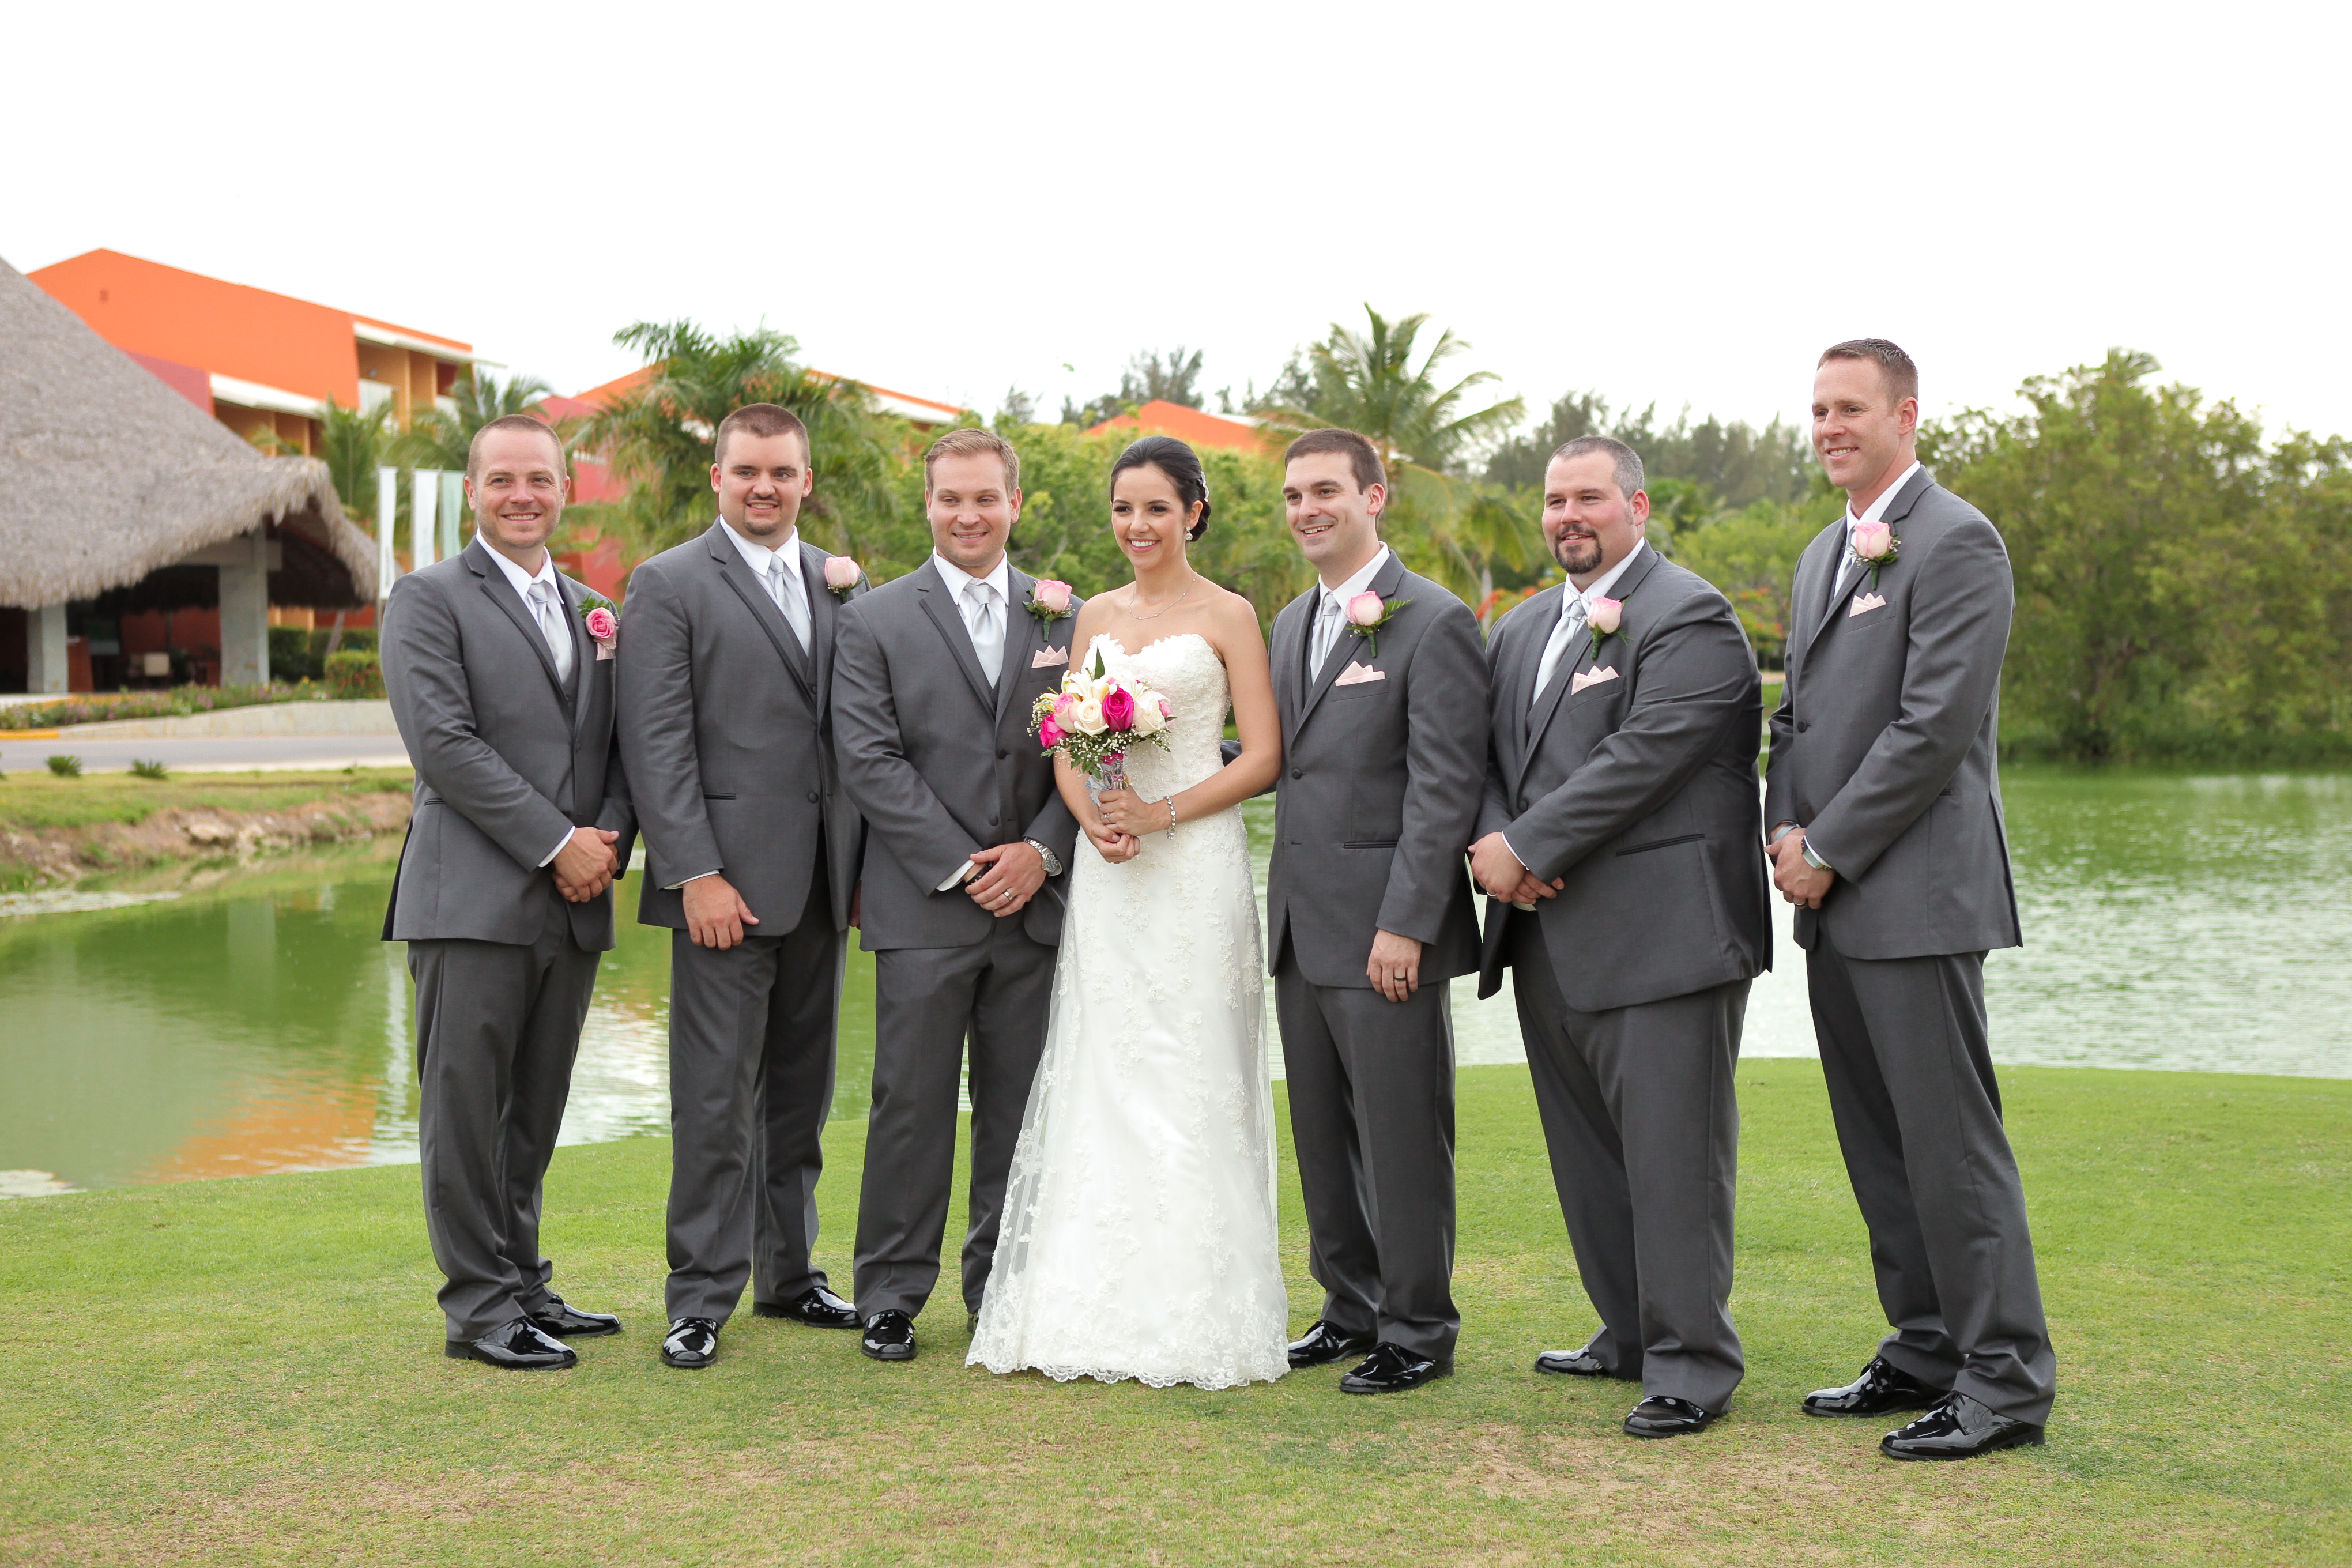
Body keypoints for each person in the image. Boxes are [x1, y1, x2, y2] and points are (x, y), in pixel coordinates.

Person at [1767, 339, 2055, 1460]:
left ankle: (2006, 1381)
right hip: (1831, 897)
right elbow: (1794, 721)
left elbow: (1932, 729)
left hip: (1920, 894)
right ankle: (1925, 1343)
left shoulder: (1958, 540)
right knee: (1880, 1144)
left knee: (1951, 1146)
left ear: (1906, 415)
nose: (1830, 425)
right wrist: (1785, 830)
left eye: (1850, 408)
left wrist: (1830, 844)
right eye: (1819, 409)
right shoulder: (1816, 555)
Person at [968, 436, 1289, 1389]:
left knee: (1192, 1064)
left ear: (1194, 510)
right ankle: (1081, 1303)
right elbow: (1068, 743)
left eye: (1155, 508)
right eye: (1123, 509)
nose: (1136, 526)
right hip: (1112, 869)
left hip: (1193, 864)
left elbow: (1262, 756)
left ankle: (1197, 1308)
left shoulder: (1230, 615)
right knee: (1108, 1064)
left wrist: (1163, 814)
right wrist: (1093, 823)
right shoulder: (1094, 614)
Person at [1469, 436, 1769, 1438]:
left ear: (1636, 505)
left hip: (1665, 936)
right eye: (1555, 500)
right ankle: (1630, 1331)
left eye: (1589, 498)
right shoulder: (1518, 631)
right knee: (1588, 1152)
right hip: (1546, 932)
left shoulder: (1690, 615)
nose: (1569, 516)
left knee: (1674, 1155)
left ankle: (1691, 1365)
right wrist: (1498, 843)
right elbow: (1488, 758)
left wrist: (1531, 842)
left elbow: (1650, 756)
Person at [379, 414, 634, 1370]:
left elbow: (618, 751)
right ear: (474, 491)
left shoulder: (596, 610)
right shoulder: (429, 598)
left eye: (541, 479)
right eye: (503, 481)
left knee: (534, 1108)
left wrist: (604, 841)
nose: (523, 496)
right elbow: (443, 745)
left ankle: (524, 1280)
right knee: (464, 1109)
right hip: (471, 902)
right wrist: (554, 841)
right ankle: (479, 1309)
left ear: (564, 489)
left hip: (573, 904)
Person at [615, 404, 866, 1372]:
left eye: (783, 472)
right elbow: (656, 742)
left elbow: (851, 737)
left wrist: (858, 869)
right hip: (722, 887)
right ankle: (698, 1298)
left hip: (822, 884)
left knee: (799, 1099)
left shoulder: (840, 583)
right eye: (747, 471)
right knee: (716, 1101)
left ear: (806, 481)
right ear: (718, 478)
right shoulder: (670, 583)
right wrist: (695, 874)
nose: (765, 487)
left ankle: (791, 1275)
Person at [831, 428, 1085, 1363]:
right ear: (928, 505)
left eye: (986, 498)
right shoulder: (872, 621)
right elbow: (868, 758)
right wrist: (969, 862)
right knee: (911, 1103)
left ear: (1017, 503)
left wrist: (1042, 853)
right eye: (950, 499)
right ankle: (891, 1294)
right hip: (923, 902)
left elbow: (1095, 752)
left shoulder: (1071, 618)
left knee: (1021, 1108)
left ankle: (1004, 1292)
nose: (968, 514)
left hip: (1038, 906)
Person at [1265, 428, 1488, 1394]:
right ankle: (1347, 1306)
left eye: (1325, 491)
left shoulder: (1432, 622)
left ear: (1374, 495)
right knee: (1322, 1133)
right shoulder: (1286, 624)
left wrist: (1409, 921)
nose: (1307, 509)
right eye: (1292, 495)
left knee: (1402, 1136)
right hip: (1299, 926)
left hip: (1385, 928)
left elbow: (1444, 789)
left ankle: (1419, 1328)